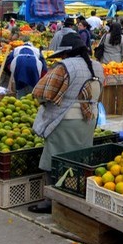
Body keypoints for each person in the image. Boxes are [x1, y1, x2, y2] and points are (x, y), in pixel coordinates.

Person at [28, 33, 104, 214]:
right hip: (87, 121)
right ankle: (74, 195)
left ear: (66, 53)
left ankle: (52, 200)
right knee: (78, 160)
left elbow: (41, 92)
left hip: (65, 121)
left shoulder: (65, 66)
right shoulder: (97, 66)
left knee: (55, 160)